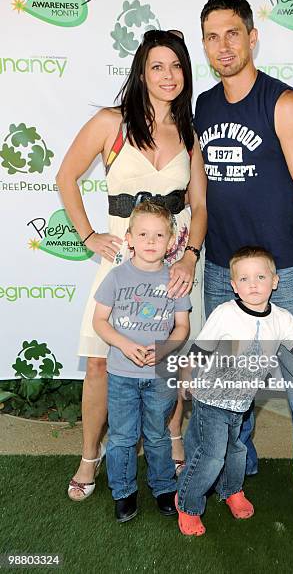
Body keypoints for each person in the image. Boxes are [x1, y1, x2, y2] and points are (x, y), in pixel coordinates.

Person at [194, 0, 293, 532]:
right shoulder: (204, 107)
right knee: (230, 385)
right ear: (205, 45)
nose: (223, 45)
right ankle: (238, 471)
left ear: (253, 37)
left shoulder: (283, 102)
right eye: (212, 36)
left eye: (233, 32)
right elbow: (200, 191)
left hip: (284, 273)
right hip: (220, 273)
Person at [56, 29, 207, 501]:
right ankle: (89, 456)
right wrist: (88, 235)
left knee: (171, 359)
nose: (168, 75)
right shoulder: (111, 122)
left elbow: (199, 206)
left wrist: (189, 255)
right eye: (158, 66)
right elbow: (65, 176)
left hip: (175, 263)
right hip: (121, 262)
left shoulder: (189, 131)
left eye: (177, 66)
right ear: (142, 71)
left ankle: (174, 441)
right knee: (101, 362)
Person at [175, 246, 293, 536]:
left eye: (260, 276)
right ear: (234, 286)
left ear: (275, 281)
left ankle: (232, 490)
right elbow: (200, 348)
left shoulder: (281, 318)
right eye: (244, 279)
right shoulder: (225, 313)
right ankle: (188, 503)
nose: (253, 284)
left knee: (236, 451)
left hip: (241, 404)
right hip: (211, 398)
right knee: (211, 455)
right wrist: (185, 376)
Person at [92, 202, 190, 521]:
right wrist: (124, 343)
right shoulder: (117, 277)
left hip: (160, 375)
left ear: (171, 240)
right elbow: (100, 322)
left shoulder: (175, 280)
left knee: (157, 433)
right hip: (121, 373)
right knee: (122, 435)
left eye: (159, 234)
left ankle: (163, 486)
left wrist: (163, 349)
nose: (151, 241)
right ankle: (123, 491)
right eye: (144, 234)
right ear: (130, 238)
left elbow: (182, 327)